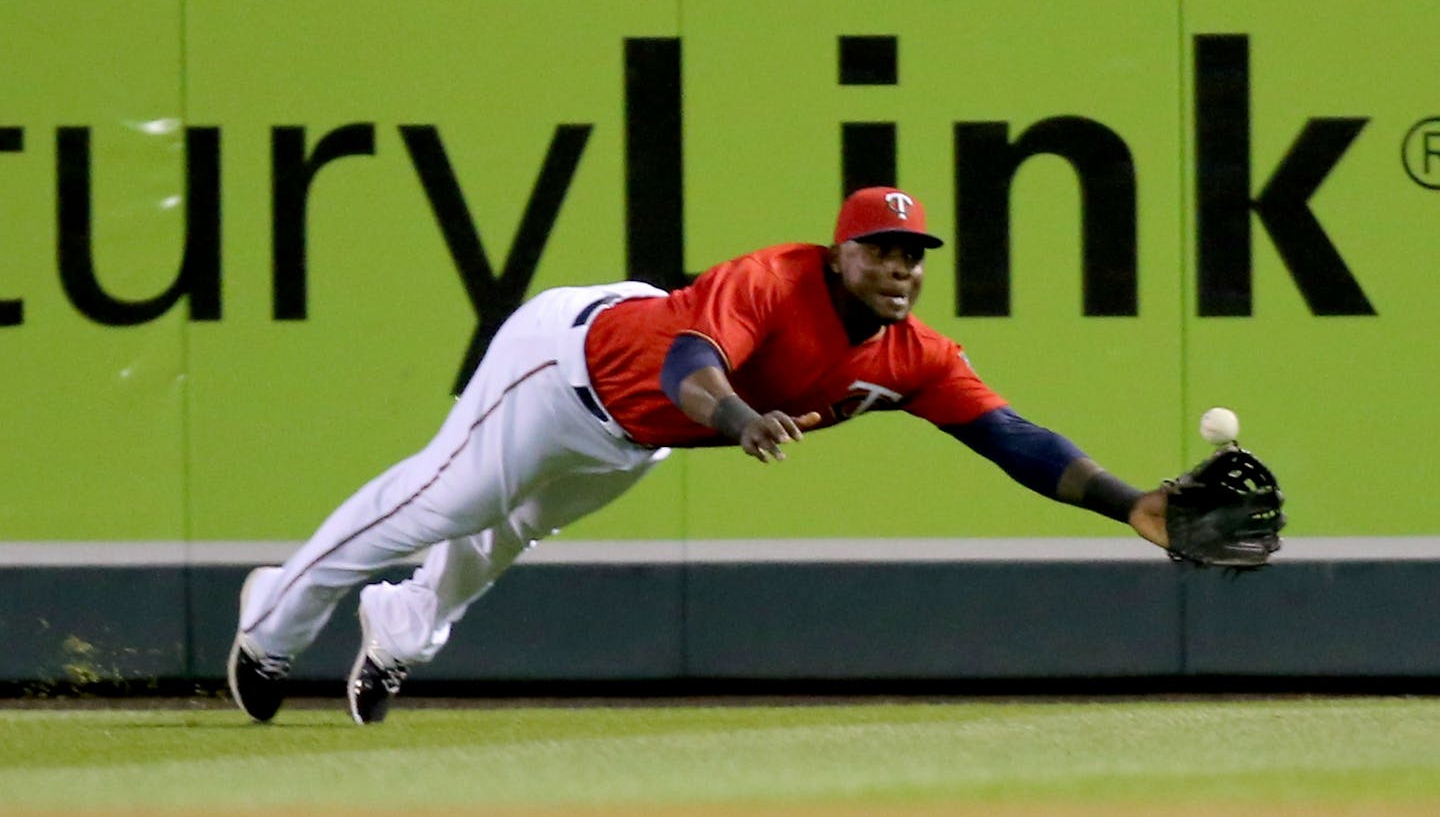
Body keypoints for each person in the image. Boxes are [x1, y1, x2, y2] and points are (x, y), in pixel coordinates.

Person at [227, 186, 1170, 725]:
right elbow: (691, 365)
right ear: (840, 253)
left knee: (508, 532)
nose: (900, 269)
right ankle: (270, 625)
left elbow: (1014, 440)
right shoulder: (773, 278)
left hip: (633, 434)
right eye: (881, 251)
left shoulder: (914, 355)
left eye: (912, 255)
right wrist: (738, 419)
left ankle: (400, 627)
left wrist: (1130, 503)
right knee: (440, 506)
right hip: (564, 368)